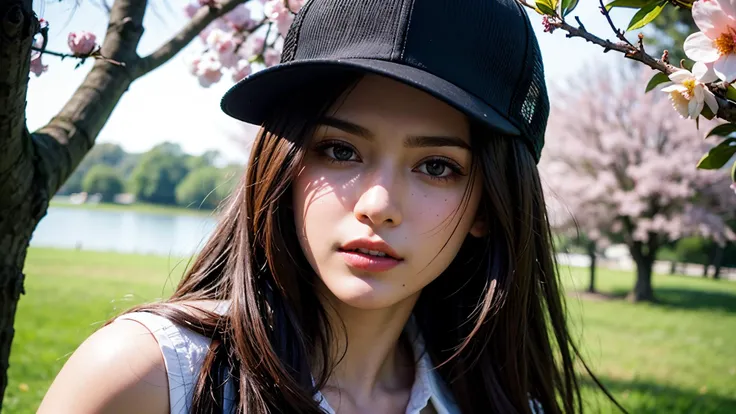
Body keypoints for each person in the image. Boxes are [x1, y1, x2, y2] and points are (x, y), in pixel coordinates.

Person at [38, 0, 621, 413]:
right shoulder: (151, 381)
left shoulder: (506, 406)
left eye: (437, 166)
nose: (378, 205)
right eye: (339, 150)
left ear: (488, 209)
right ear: (283, 167)